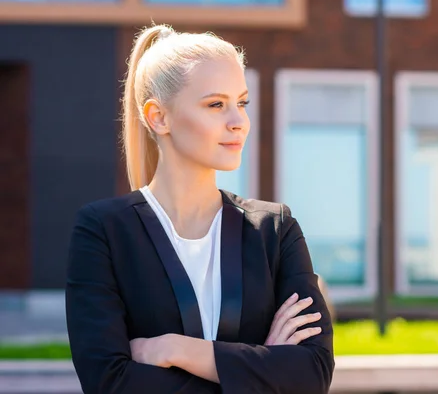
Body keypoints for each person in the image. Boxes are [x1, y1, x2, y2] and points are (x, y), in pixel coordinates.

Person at [65, 24, 334, 394]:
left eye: (241, 103)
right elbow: (109, 382)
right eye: (216, 105)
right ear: (159, 117)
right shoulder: (103, 231)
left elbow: (312, 374)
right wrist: (261, 366)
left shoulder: (276, 229)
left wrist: (177, 349)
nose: (238, 121)